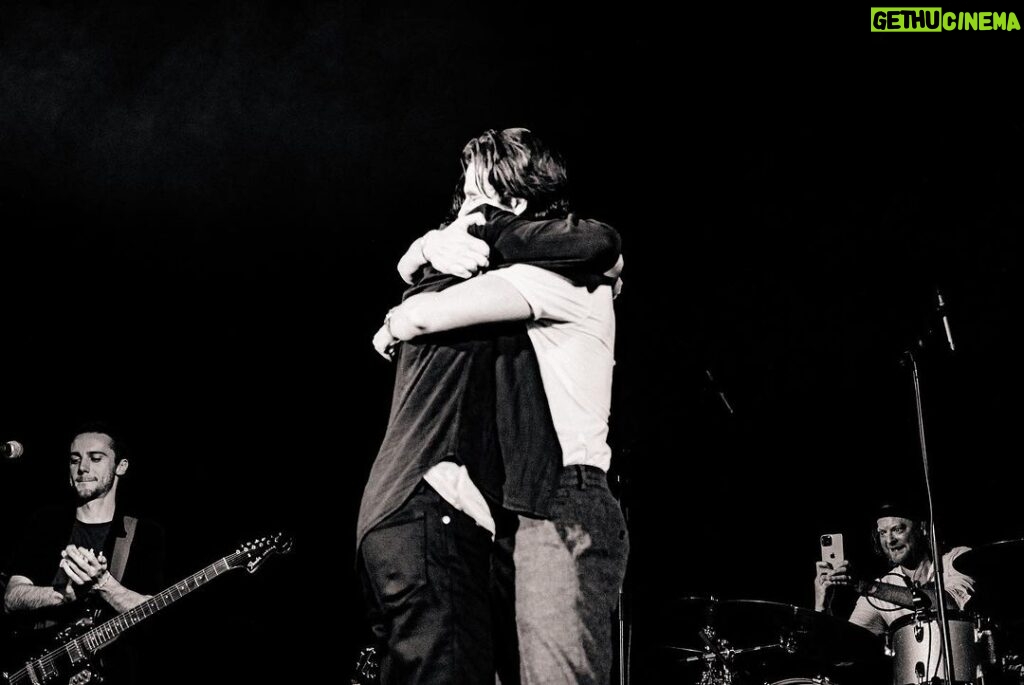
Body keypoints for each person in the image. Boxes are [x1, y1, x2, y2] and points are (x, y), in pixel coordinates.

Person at [357, 127, 621, 684]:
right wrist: (426, 249)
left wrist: (399, 312)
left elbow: (421, 316)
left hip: (565, 497)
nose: (462, 214)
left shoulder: (558, 274)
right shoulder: (524, 280)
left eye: (476, 202)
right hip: (524, 501)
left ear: (518, 209)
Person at [2, 424, 165, 685]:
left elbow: (156, 615)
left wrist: (104, 584)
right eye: (75, 460)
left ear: (120, 466)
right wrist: (62, 595)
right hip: (33, 671)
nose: (82, 468)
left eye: (95, 458)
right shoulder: (46, 523)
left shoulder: (145, 534)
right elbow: (11, 598)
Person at [814, 499, 975, 636]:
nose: (889, 540)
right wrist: (823, 607)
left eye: (897, 529)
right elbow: (847, 645)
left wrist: (868, 587)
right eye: (882, 533)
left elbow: (951, 604)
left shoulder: (957, 559)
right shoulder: (880, 588)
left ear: (923, 529)